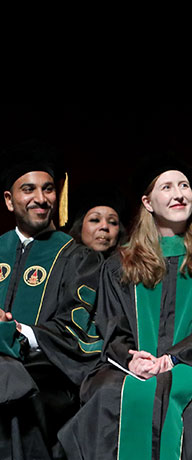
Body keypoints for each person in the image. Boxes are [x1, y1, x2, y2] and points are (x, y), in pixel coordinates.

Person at [58, 154, 192, 460]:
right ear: (148, 202)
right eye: (166, 187)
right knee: (113, 395)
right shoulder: (120, 264)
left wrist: (175, 358)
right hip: (136, 368)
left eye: (183, 185)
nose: (179, 194)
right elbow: (113, 325)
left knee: (191, 394)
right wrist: (131, 358)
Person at [0, 141, 103, 459]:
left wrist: (18, 331)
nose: (40, 199)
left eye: (47, 189)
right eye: (28, 189)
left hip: (48, 373)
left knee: (13, 388)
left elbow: (79, 325)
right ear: (9, 200)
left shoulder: (78, 257)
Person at [67, 184, 127, 256]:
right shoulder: (63, 262)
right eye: (95, 220)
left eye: (112, 222)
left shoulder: (127, 265)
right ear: (80, 227)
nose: (104, 226)